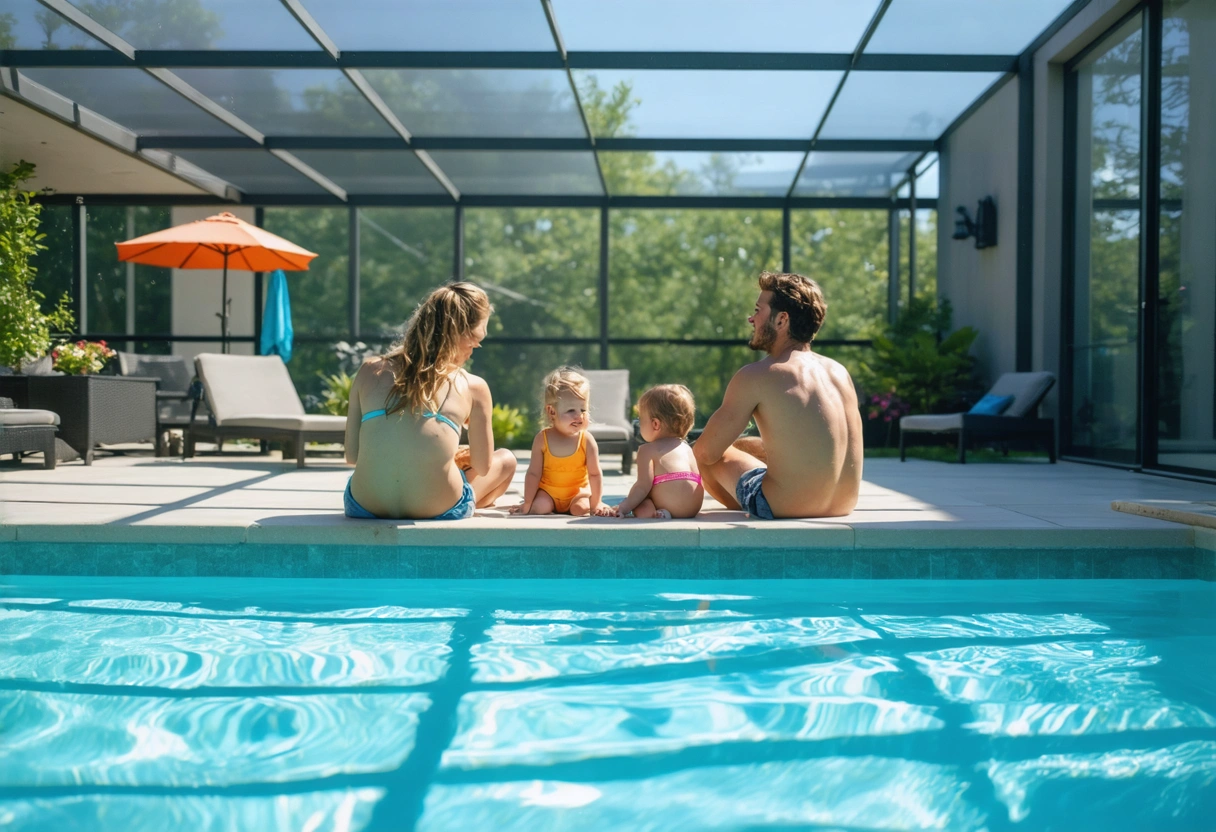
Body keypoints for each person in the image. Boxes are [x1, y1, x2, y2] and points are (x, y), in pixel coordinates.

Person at [694, 271, 862, 519]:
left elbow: (706, 452)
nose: (752, 319)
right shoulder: (839, 372)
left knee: (709, 455)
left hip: (781, 506)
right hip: (843, 506)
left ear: (782, 320)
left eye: (758, 310)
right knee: (747, 446)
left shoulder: (758, 374)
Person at [343, 282, 517, 519]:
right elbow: (484, 467)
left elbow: (352, 456)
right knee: (505, 460)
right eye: (476, 339)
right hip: (438, 509)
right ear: (460, 333)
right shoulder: (473, 386)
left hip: (366, 506)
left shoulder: (368, 371)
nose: (476, 347)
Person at [511, 368, 611, 517]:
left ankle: (585, 505)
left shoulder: (586, 440)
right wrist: (527, 502)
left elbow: (595, 474)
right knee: (539, 508)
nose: (579, 415)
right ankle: (534, 505)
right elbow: (533, 473)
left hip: (577, 493)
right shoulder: (542, 439)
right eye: (571, 410)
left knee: (581, 509)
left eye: (583, 409)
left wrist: (596, 503)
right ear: (552, 412)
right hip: (548, 493)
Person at [611, 384, 704, 519]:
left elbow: (642, 486)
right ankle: (663, 513)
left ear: (655, 424)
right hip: (693, 507)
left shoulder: (647, 450)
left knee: (640, 500)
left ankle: (655, 514)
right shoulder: (687, 448)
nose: (639, 423)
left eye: (640, 419)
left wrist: (624, 507)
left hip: (670, 503)